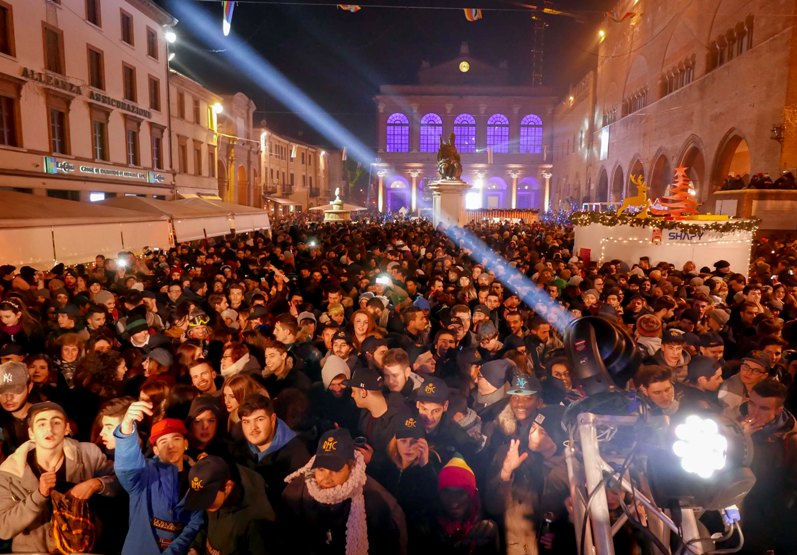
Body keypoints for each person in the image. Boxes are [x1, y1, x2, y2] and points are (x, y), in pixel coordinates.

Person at [0, 401, 119, 553]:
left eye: (56, 422)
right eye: (41, 424)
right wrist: (39, 496)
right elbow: (4, 528)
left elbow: (121, 480)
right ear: (31, 433)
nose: (49, 429)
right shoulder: (10, 472)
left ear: (67, 428)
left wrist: (96, 483)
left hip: (80, 548)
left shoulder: (89, 455)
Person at [282, 428, 408, 554]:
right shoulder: (295, 493)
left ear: (351, 465)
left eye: (335, 470)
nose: (326, 478)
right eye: (321, 469)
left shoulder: (375, 502)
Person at [113, 401, 205, 554]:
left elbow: (195, 523)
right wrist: (127, 428)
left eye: (176, 439)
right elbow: (127, 468)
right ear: (155, 450)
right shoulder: (143, 474)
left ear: (186, 443)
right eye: (163, 441)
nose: (171, 446)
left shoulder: (198, 477)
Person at [737, 379, 797, 554]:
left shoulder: (790, 440)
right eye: (752, 404)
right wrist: (740, 436)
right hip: (734, 501)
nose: (754, 412)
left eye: (763, 408)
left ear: (778, 411)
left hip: (765, 514)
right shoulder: (736, 421)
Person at [232, 393, 310, 515]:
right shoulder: (239, 445)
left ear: (273, 419)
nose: (253, 428)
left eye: (259, 419)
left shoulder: (296, 455)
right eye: (246, 422)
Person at [185, 455, 277, 555]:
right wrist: (195, 547)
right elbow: (208, 527)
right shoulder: (214, 501)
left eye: (207, 498)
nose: (203, 503)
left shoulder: (257, 520)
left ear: (228, 487)